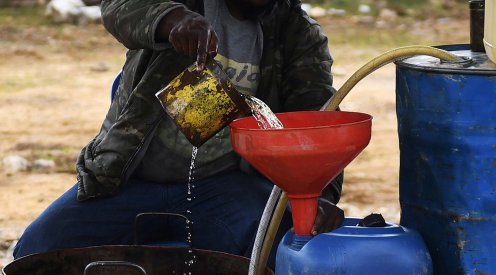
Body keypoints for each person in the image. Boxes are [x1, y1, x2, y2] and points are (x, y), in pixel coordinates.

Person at [13, 0, 344, 261]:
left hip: (226, 187)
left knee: (284, 252)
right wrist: (170, 19)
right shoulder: (185, 4)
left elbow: (317, 119)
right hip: (130, 178)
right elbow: (118, 7)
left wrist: (320, 194)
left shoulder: (298, 34)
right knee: (38, 248)